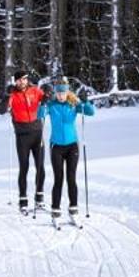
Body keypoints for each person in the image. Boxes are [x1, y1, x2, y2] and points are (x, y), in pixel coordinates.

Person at [42, 80, 95, 222]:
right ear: (56, 93)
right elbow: (40, 115)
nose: (60, 96)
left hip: (72, 147)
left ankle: (73, 210)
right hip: (56, 147)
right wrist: (42, 102)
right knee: (58, 179)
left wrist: (86, 101)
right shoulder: (51, 105)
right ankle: (55, 211)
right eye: (58, 93)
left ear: (67, 93)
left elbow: (90, 112)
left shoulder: (73, 104)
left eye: (63, 93)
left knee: (71, 178)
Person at [7, 71, 47, 212]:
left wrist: (47, 92)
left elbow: (48, 98)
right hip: (22, 136)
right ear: (16, 82)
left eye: (24, 79)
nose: (22, 82)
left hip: (37, 133)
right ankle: (23, 200)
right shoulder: (12, 94)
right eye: (19, 80)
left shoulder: (35, 91)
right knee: (24, 168)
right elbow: (2, 109)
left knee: (40, 167)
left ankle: (39, 198)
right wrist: (6, 96)